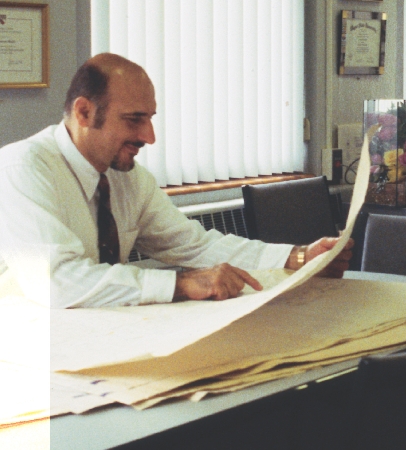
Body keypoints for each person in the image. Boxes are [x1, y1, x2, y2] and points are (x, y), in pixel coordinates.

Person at [0, 53, 352, 308]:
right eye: (135, 120)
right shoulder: (22, 169)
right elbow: (58, 283)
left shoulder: (129, 180)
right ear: (84, 112)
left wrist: (299, 256)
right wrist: (179, 284)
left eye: (150, 119)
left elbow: (195, 246)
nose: (149, 136)